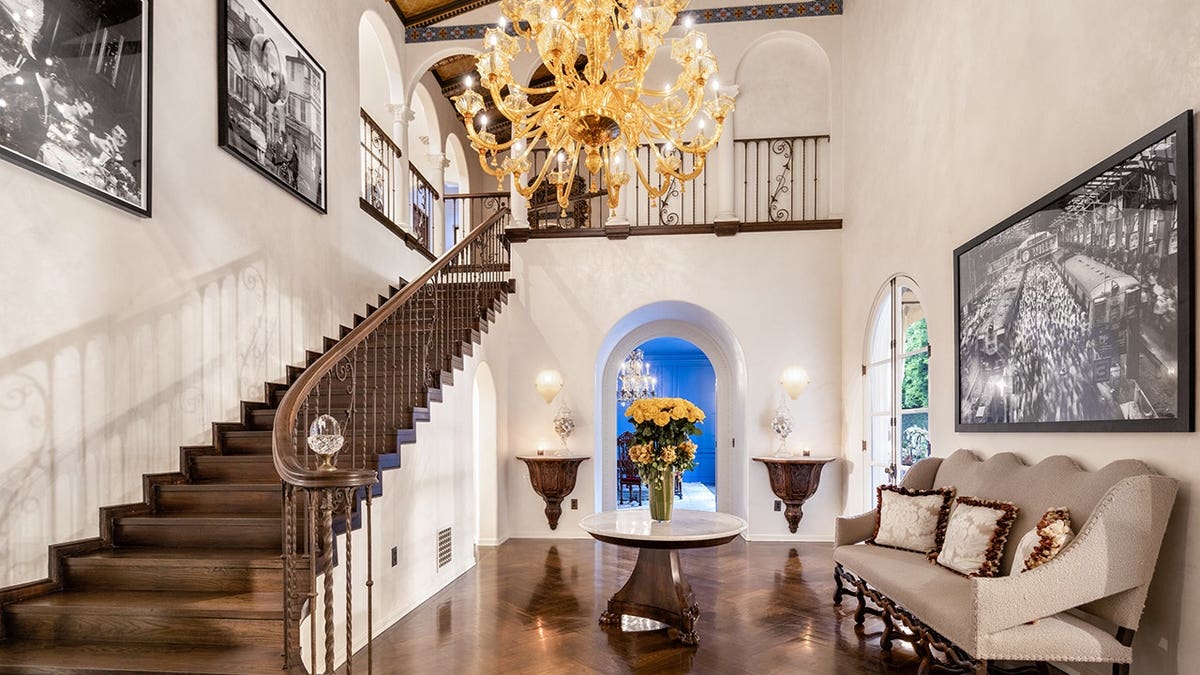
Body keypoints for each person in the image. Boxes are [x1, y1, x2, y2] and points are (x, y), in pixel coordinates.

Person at [0, 57, 68, 159]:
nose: (68, 97)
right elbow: (8, 128)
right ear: (53, 78)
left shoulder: (48, 103)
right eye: (67, 90)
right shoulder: (17, 85)